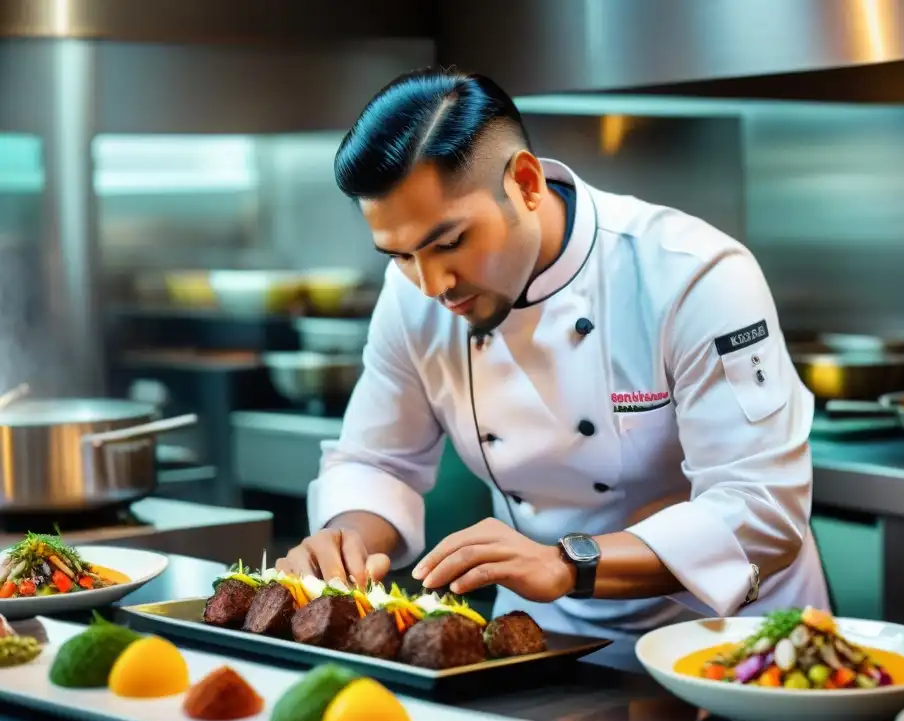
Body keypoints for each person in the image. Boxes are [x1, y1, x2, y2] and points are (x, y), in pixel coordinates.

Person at [276, 68, 830, 640]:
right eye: (399, 255)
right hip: (546, 638)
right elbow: (376, 461)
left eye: (450, 243)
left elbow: (760, 509)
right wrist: (347, 542)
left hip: (734, 642)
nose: (432, 283)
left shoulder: (692, 274)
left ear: (526, 182)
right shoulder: (414, 296)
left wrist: (565, 563)